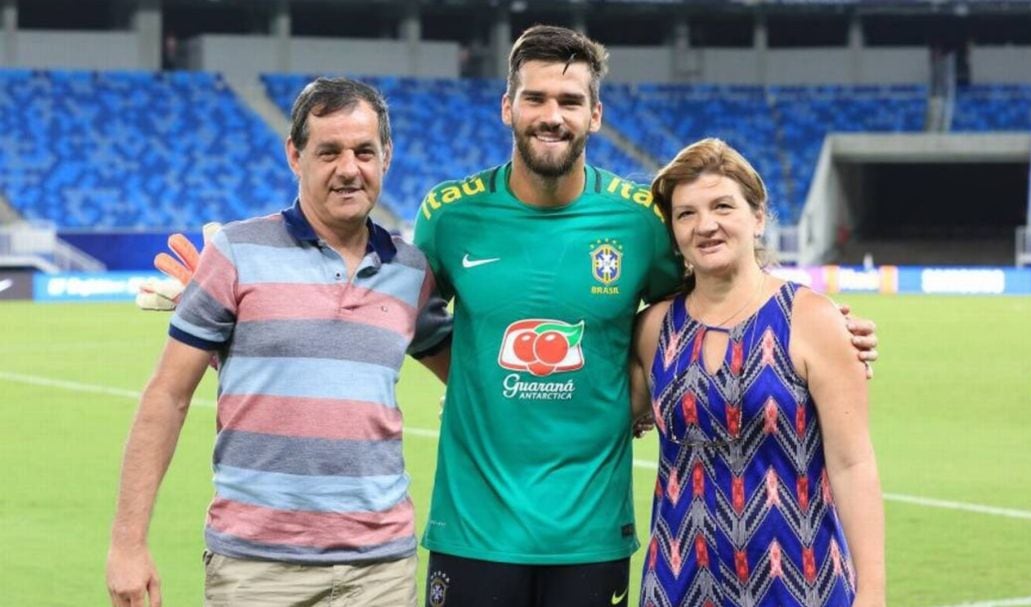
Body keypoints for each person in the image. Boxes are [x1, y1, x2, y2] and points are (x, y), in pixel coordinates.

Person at [412, 26, 880, 607]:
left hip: (590, 534)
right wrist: (469, 379)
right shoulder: (449, 214)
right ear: (508, 106)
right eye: (535, 98)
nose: (552, 115)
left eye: (570, 101)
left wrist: (824, 325)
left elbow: (715, 296)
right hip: (473, 528)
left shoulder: (638, 222)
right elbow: (405, 313)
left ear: (596, 114)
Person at [106, 77, 452, 607]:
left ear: (387, 155)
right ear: (295, 154)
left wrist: (626, 402)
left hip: (381, 570)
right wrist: (127, 544)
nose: (349, 169)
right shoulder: (238, 252)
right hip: (256, 569)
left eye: (364, 151)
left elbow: (472, 376)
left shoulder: (410, 270)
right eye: (328, 151)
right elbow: (166, 397)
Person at [630, 138, 885, 606]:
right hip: (677, 583)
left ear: (758, 216)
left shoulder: (811, 319)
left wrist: (871, 593)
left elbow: (853, 464)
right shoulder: (653, 329)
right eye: (686, 214)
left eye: (722, 206)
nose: (705, 225)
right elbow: (600, 414)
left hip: (798, 583)